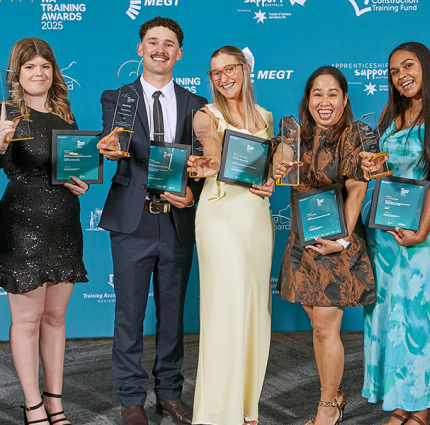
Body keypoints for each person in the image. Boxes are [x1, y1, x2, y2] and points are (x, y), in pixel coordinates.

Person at [96, 16, 207, 425]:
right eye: (152, 41)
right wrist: (108, 149)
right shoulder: (118, 97)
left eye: (169, 43)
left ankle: (169, 394)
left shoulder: (198, 105)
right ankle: (130, 399)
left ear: (179, 53)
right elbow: (112, 140)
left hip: (177, 220)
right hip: (133, 221)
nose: (160, 49)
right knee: (128, 314)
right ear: (140, 49)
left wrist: (192, 190)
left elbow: (201, 162)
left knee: (173, 313)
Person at [360, 42, 430, 425]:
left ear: (426, 66)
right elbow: (386, 168)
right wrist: (372, 166)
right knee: (390, 315)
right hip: (386, 226)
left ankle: (419, 411)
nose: (401, 75)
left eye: (408, 65)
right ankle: (399, 404)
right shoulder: (393, 110)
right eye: (393, 71)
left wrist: (422, 230)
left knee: (421, 317)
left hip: (429, 226)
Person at [0, 37, 88, 425]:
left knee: (55, 319)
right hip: (22, 223)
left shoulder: (65, 114)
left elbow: (72, 168)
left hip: (65, 221)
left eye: (45, 66)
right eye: (30, 66)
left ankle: (54, 401)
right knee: (27, 320)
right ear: (17, 73)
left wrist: (80, 183)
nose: (38, 73)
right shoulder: (7, 111)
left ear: (53, 72)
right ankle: (32, 405)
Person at [273, 66, 376, 425]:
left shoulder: (353, 137)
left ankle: (328, 406)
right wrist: (276, 162)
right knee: (317, 322)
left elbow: (358, 190)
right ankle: (333, 393)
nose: (325, 101)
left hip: (337, 243)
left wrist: (342, 240)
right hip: (303, 243)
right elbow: (274, 170)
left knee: (324, 327)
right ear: (308, 99)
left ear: (345, 99)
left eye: (333, 94)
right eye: (317, 93)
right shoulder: (295, 135)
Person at [187, 45, 275, 425]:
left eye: (229, 68)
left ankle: (246, 408)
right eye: (215, 72)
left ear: (245, 69)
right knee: (225, 311)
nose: (223, 77)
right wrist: (205, 165)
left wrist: (272, 181)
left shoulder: (268, 117)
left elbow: (270, 169)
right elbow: (211, 156)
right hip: (221, 216)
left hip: (256, 217)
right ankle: (216, 413)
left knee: (256, 310)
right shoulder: (205, 116)